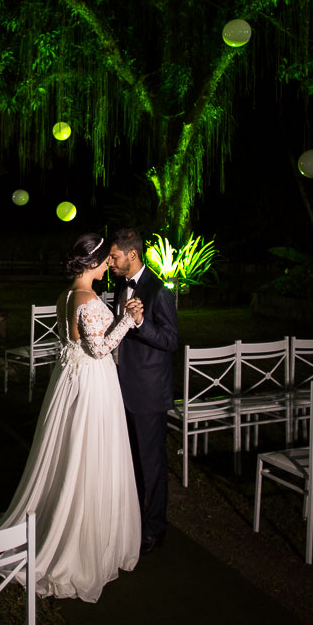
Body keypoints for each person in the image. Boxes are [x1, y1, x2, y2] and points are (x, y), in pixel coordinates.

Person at [0, 232, 141, 602]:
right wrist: (129, 321)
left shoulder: (67, 295)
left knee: (70, 452)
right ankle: (77, 541)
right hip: (90, 383)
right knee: (87, 455)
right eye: (106, 259)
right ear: (92, 263)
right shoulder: (87, 298)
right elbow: (99, 346)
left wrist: (118, 317)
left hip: (71, 381)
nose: (110, 263)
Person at [107, 227, 179, 554]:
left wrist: (140, 324)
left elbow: (170, 340)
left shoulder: (159, 291)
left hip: (149, 391)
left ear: (132, 254)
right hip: (122, 386)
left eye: (114, 257)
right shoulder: (120, 286)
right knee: (131, 460)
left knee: (152, 463)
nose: (110, 262)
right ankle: (132, 520)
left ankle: (155, 528)